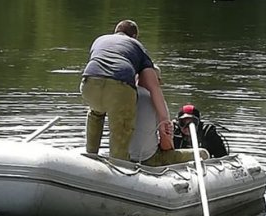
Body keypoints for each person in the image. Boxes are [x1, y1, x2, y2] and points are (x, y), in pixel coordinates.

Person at [80, 20, 173, 160]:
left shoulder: (100, 40)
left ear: (115, 32)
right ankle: (119, 164)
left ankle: (90, 155)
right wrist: (164, 120)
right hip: (119, 85)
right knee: (121, 128)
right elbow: (153, 86)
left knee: (95, 113)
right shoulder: (136, 46)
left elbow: (99, 65)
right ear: (134, 36)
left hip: (89, 83)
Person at [129, 67, 206, 166]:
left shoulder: (125, 96)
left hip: (123, 157)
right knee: (203, 153)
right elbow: (166, 146)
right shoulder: (158, 102)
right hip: (148, 159)